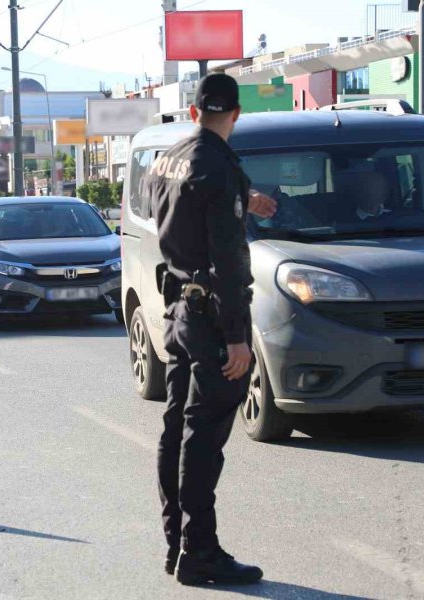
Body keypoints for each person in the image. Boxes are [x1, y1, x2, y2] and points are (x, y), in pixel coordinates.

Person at [146, 73, 277, 587]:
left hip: (178, 309)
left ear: (194, 111)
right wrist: (237, 336)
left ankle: (175, 544)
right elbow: (227, 258)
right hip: (211, 319)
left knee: (176, 427)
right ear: (236, 114)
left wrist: (247, 195)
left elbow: (186, 211)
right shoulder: (219, 168)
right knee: (202, 437)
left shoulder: (169, 158)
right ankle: (199, 551)